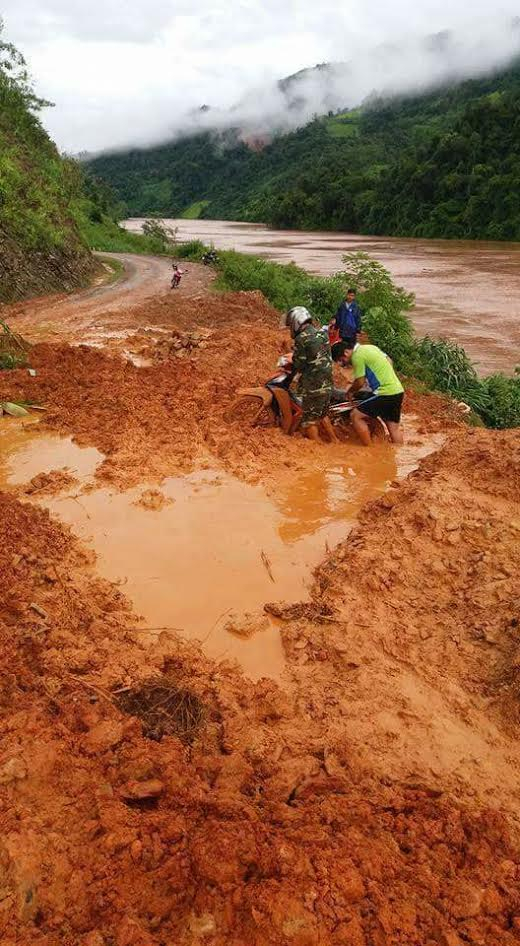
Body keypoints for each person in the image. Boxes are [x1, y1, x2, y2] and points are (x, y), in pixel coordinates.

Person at [285, 306, 338, 443]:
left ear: (296, 322)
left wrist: (291, 357)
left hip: (313, 385)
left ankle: (320, 453)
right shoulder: (322, 334)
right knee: (322, 414)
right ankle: (335, 442)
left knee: (308, 422)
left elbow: (299, 365)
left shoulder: (301, 338)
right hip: (327, 381)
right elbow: (324, 355)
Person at [335, 340, 404, 445]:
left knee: (355, 416)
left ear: (346, 352)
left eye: (341, 360)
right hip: (397, 391)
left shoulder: (357, 356)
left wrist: (350, 392)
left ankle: (370, 449)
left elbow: (359, 382)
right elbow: (389, 361)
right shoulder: (370, 347)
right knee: (393, 428)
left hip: (384, 393)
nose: (343, 363)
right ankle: (399, 454)